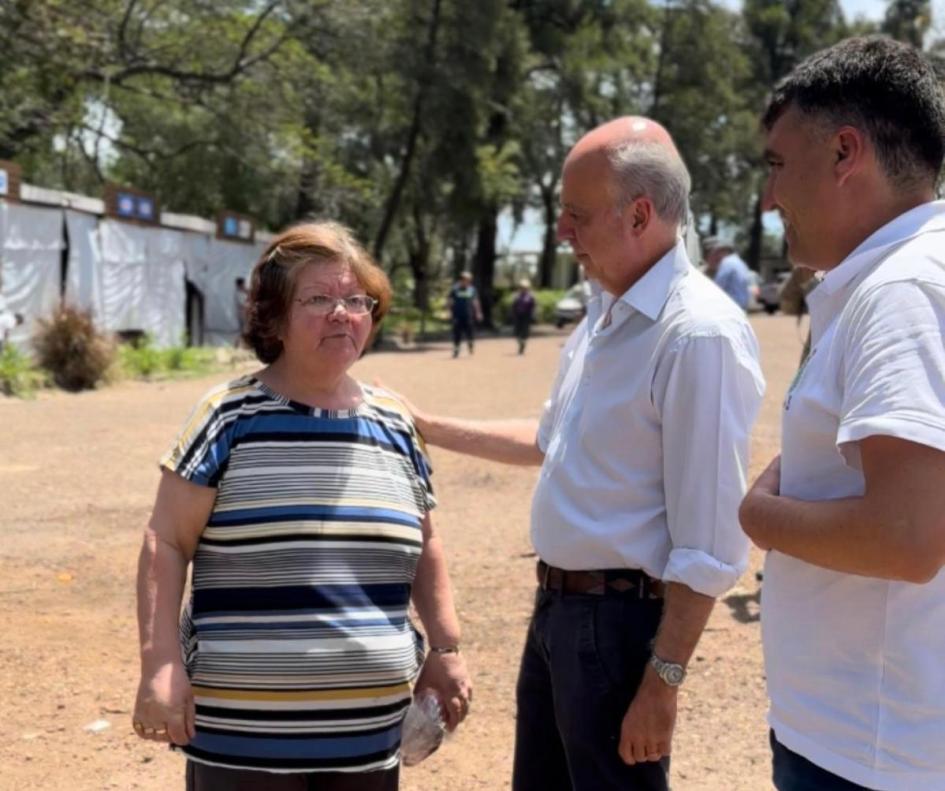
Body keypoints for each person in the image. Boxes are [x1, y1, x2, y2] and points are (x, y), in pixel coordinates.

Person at [396, 117, 765, 790]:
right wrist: (423, 424)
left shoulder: (695, 335)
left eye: (574, 215)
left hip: (619, 629)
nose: (561, 232)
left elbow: (709, 542)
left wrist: (663, 680)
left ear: (640, 215)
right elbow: (548, 438)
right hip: (561, 615)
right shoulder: (605, 313)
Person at [132, 221, 472, 790]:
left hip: (369, 739)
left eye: (356, 300)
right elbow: (165, 541)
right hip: (244, 740)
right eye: (318, 299)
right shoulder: (227, 417)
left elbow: (427, 545)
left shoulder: (395, 424)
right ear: (275, 318)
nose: (342, 313)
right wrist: (160, 664)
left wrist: (446, 647)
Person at [739, 36, 945, 791]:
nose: (767, 199)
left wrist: (756, 514)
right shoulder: (903, 279)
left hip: (869, 750)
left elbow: (907, 537)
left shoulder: (900, 293)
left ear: (843, 153)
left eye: (775, 166)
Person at [704, 238, 753, 311]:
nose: (716, 255)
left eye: (718, 252)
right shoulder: (739, 262)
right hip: (742, 305)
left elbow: (717, 287)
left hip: (732, 306)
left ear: (725, 251)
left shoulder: (726, 263)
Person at [447, 270, 481, 358]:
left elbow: (475, 301)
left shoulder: (472, 289)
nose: (468, 281)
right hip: (457, 315)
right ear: (461, 279)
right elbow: (450, 301)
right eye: (466, 279)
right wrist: (449, 312)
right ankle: (456, 350)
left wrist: (478, 312)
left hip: (468, 314)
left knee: (470, 332)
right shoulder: (455, 289)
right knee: (457, 333)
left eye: (469, 280)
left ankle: (470, 345)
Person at [510, 278, 536, 354]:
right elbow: (513, 306)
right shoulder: (517, 296)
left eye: (525, 288)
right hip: (518, 316)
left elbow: (533, 306)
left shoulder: (530, 297)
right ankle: (520, 343)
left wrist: (533, 315)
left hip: (526, 316)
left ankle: (523, 345)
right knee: (517, 332)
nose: (523, 289)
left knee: (525, 332)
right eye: (522, 287)